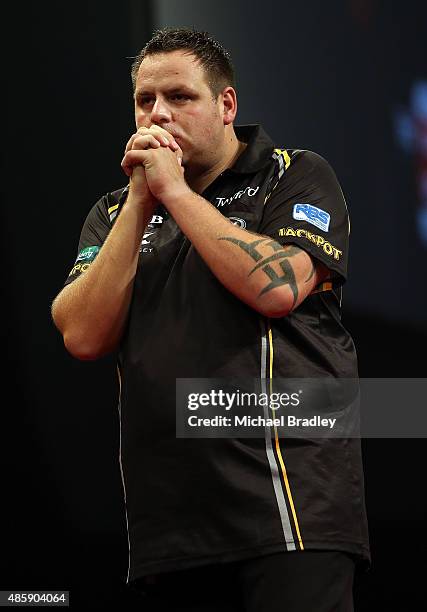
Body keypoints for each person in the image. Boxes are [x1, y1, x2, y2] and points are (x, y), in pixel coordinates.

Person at [52, 27, 370, 612]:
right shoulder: (114, 211)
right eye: (145, 100)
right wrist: (142, 202)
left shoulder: (293, 174)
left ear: (226, 106)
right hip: (170, 528)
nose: (158, 115)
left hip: (287, 512)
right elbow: (81, 333)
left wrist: (175, 193)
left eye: (179, 97)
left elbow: (275, 290)